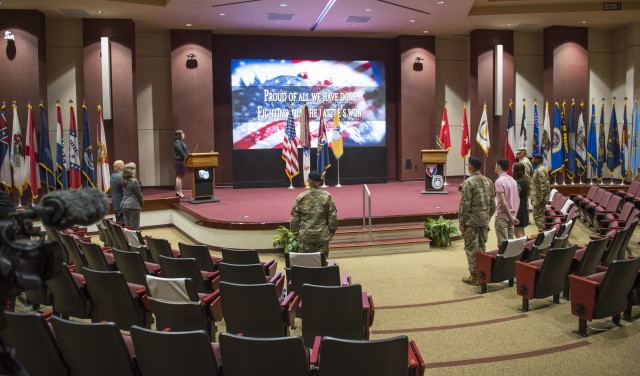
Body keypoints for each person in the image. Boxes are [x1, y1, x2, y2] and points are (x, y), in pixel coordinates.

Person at [458, 157, 496, 286]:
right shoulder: (488, 181)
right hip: (484, 220)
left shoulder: (469, 182)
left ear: (471, 167)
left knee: (470, 247)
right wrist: (487, 216)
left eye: (468, 165)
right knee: (481, 246)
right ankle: (482, 273)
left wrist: (462, 222)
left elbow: (465, 204)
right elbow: (492, 203)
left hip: (472, 221)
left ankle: (474, 276)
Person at [290, 170, 338, 257]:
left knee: (306, 262)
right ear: (319, 182)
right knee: (322, 262)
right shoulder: (327, 196)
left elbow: (295, 217)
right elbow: (332, 216)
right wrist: (331, 231)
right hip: (322, 236)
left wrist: (296, 234)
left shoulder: (301, 197)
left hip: (305, 236)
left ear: (308, 181)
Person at [494, 158, 520, 247]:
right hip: (512, 215)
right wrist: (513, 216)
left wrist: (510, 217)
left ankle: (503, 261)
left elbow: (503, 203)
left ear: (499, 167)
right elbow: (517, 199)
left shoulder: (499, 181)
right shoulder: (513, 180)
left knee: (502, 245)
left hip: (502, 215)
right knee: (510, 243)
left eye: (496, 165)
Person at [530, 154, 550, 231]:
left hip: (539, 198)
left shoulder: (540, 170)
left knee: (537, 216)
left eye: (533, 159)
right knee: (539, 215)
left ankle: (542, 233)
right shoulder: (539, 169)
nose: (532, 160)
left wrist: (543, 197)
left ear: (538, 160)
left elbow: (544, 185)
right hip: (537, 196)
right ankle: (542, 232)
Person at [121, 162, 144, 230]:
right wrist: (142, 204)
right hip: (133, 205)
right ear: (132, 171)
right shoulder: (134, 181)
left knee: (127, 227)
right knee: (134, 228)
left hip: (124, 204)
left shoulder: (123, 180)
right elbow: (139, 195)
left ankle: (128, 240)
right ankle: (134, 240)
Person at [512, 162, 530, 238]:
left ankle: (522, 248)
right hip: (523, 204)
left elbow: (516, 195)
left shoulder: (518, 182)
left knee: (517, 231)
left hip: (519, 207)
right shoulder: (525, 179)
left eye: (513, 168)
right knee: (521, 230)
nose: (512, 170)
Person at [174, 130, 189, 198]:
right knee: (179, 176)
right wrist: (186, 157)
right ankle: (178, 192)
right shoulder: (177, 142)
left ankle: (180, 191)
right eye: (183, 133)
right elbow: (181, 151)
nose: (184, 134)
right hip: (179, 161)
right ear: (179, 135)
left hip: (182, 161)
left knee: (181, 176)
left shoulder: (181, 142)